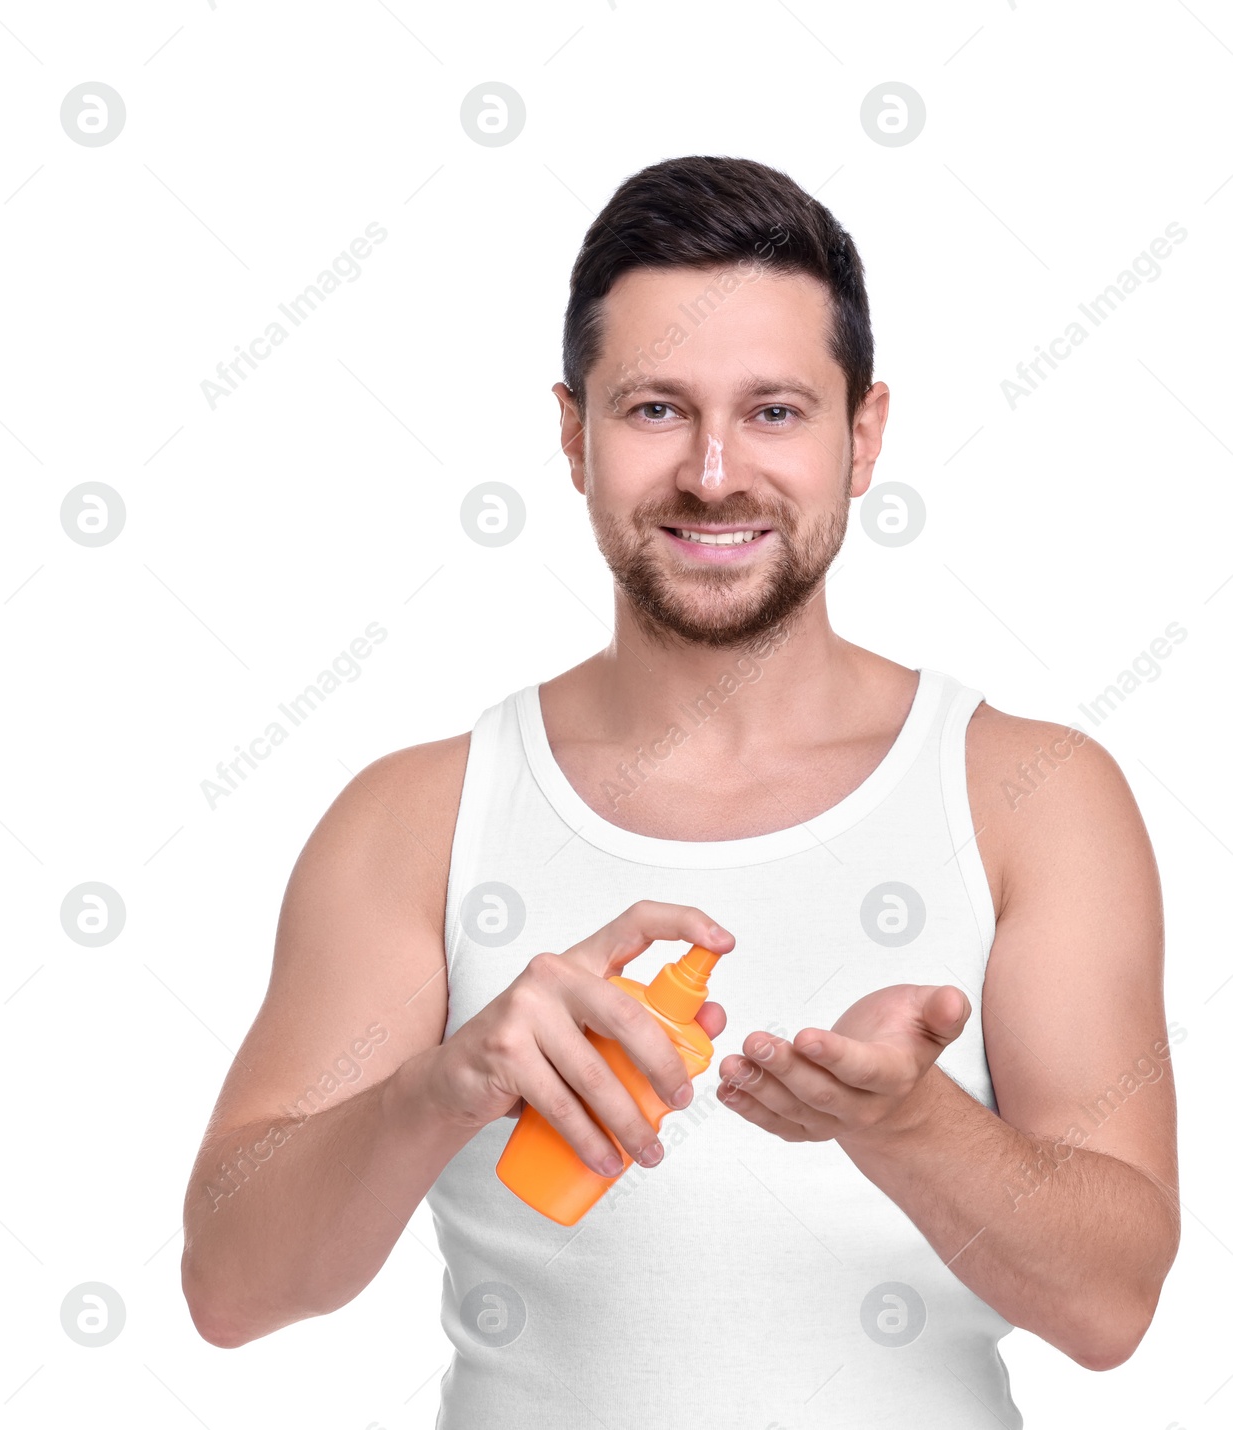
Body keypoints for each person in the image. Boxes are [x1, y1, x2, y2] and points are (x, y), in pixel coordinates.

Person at [180, 154, 1180, 1428]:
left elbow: (1114, 1306)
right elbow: (230, 1284)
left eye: (774, 411)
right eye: (656, 409)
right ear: (571, 432)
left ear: (861, 436)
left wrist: (912, 1124)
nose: (714, 473)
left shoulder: (1030, 797)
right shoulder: (419, 815)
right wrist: (440, 1086)